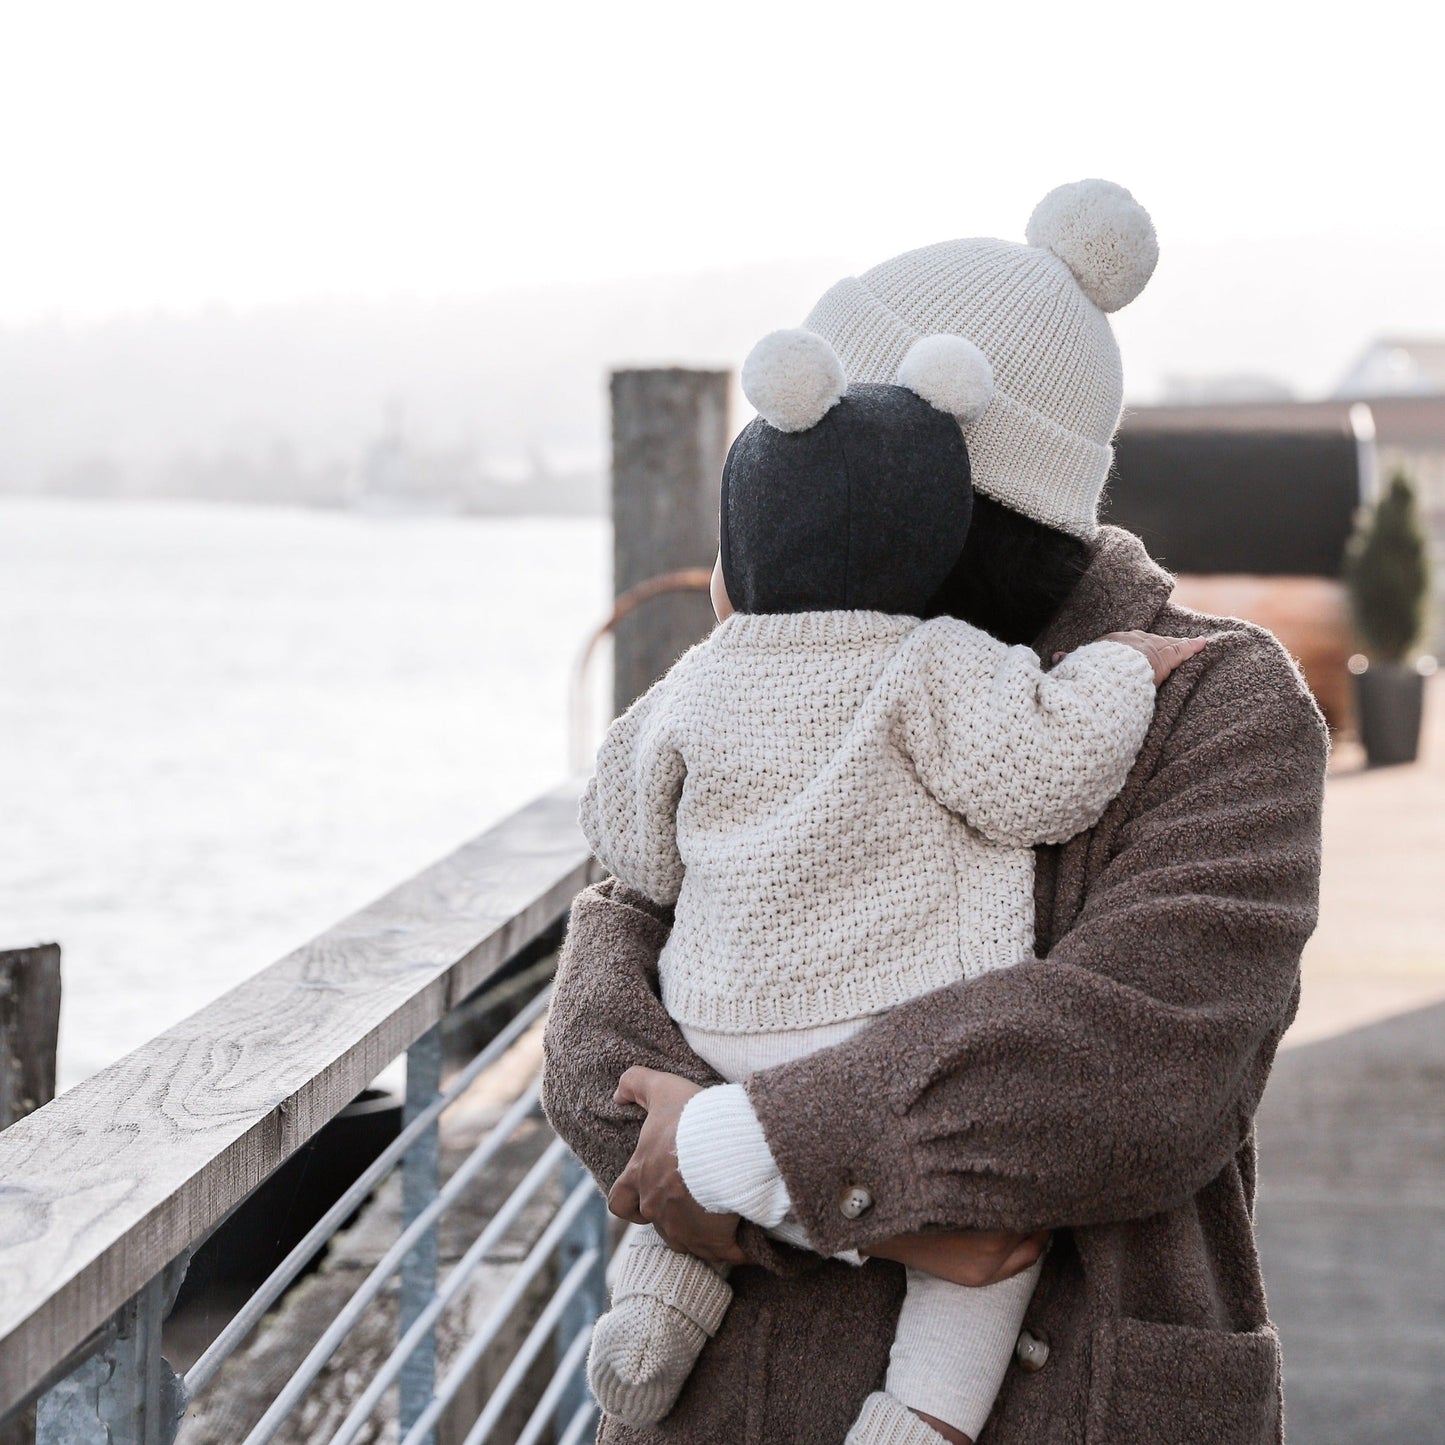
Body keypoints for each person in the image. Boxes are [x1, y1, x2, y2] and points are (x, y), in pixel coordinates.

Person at [542, 180, 1329, 1443]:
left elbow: (1138, 1062)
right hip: (742, 1401)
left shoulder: (1212, 701)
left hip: (1073, 1402)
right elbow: (613, 955)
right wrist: (882, 1197)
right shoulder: (775, 656)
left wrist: (734, 1158)